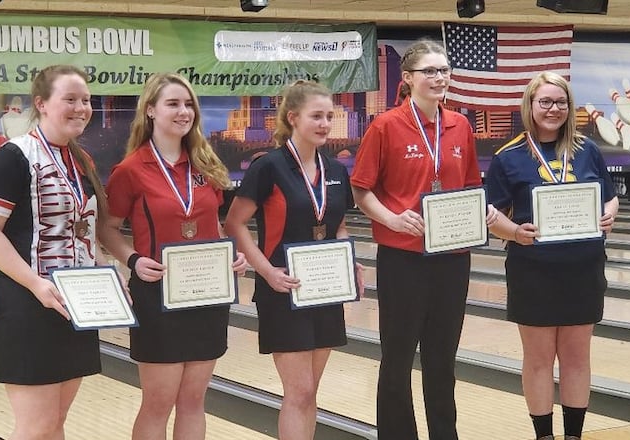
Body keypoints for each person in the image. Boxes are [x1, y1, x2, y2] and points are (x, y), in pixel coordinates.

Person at [350, 38, 498, 440]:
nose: (439, 77)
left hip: (452, 257)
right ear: (409, 78)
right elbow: (360, 191)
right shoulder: (385, 125)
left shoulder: (460, 125)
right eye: (429, 71)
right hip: (403, 258)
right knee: (397, 359)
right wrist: (393, 219)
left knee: (442, 360)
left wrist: (478, 211)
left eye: (444, 70)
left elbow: (469, 186)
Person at [97, 72, 247, 440]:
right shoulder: (130, 170)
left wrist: (234, 256)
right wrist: (133, 261)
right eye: (173, 104)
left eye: (188, 104)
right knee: (158, 402)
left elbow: (218, 224)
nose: (184, 112)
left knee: (194, 400)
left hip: (208, 294)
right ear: (150, 111)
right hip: (157, 295)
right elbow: (106, 229)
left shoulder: (206, 163)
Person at [0, 64, 106, 439]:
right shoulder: (12, 158)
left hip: (73, 305)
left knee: (55, 424)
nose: (81, 107)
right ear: (42, 104)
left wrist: (106, 276)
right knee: (36, 428)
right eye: (70, 99)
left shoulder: (81, 161)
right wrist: (36, 283)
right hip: (26, 306)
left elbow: (85, 231)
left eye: (86, 100)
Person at [224, 80, 363, 440]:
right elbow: (234, 223)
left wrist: (350, 261)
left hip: (324, 291)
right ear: (293, 118)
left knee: (310, 393)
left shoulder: (335, 170)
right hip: (282, 291)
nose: (324, 124)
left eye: (329, 117)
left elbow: (339, 227)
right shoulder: (268, 167)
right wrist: (266, 271)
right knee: (298, 392)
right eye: (316, 116)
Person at [485, 71, 618, 440]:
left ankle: (574, 435)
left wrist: (611, 212)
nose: (553, 109)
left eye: (560, 102)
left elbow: (609, 194)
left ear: (569, 107)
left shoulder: (587, 149)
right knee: (540, 360)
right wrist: (514, 232)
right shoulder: (508, 156)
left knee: (577, 358)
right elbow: (490, 213)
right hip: (534, 271)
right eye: (545, 101)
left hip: (583, 268)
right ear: (530, 106)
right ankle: (543, 435)